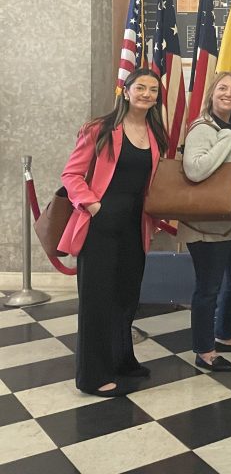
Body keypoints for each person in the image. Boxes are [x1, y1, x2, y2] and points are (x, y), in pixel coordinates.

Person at [60, 68, 168, 396]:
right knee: (97, 301)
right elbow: (71, 174)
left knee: (125, 298)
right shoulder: (100, 128)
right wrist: (94, 207)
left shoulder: (155, 132)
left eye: (153, 89)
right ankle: (92, 376)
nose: (147, 94)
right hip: (100, 227)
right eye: (141, 88)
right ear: (126, 90)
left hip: (134, 228)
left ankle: (122, 360)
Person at [181, 71, 231, 373]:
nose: (229, 94)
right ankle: (204, 349)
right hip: (209, 223)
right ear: (212, 93)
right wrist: (226, 139)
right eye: (223, 88)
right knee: (208, 287)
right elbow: (195, 170)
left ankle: (224, 334)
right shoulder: (204, 127)